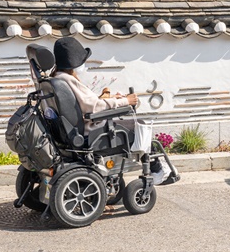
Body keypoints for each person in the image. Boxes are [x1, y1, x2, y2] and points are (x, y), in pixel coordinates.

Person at [53, 37, 171, 184]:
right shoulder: (68, 80)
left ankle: (154, 166)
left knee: (130, 125)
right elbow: (94, 107)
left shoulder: (55, 80)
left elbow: (86, 104)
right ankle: (156, 168)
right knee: (139, 126)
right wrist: (125, 101)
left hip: (70, 133)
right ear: (74, 62)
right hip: (90, 133)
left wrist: (109, 99)